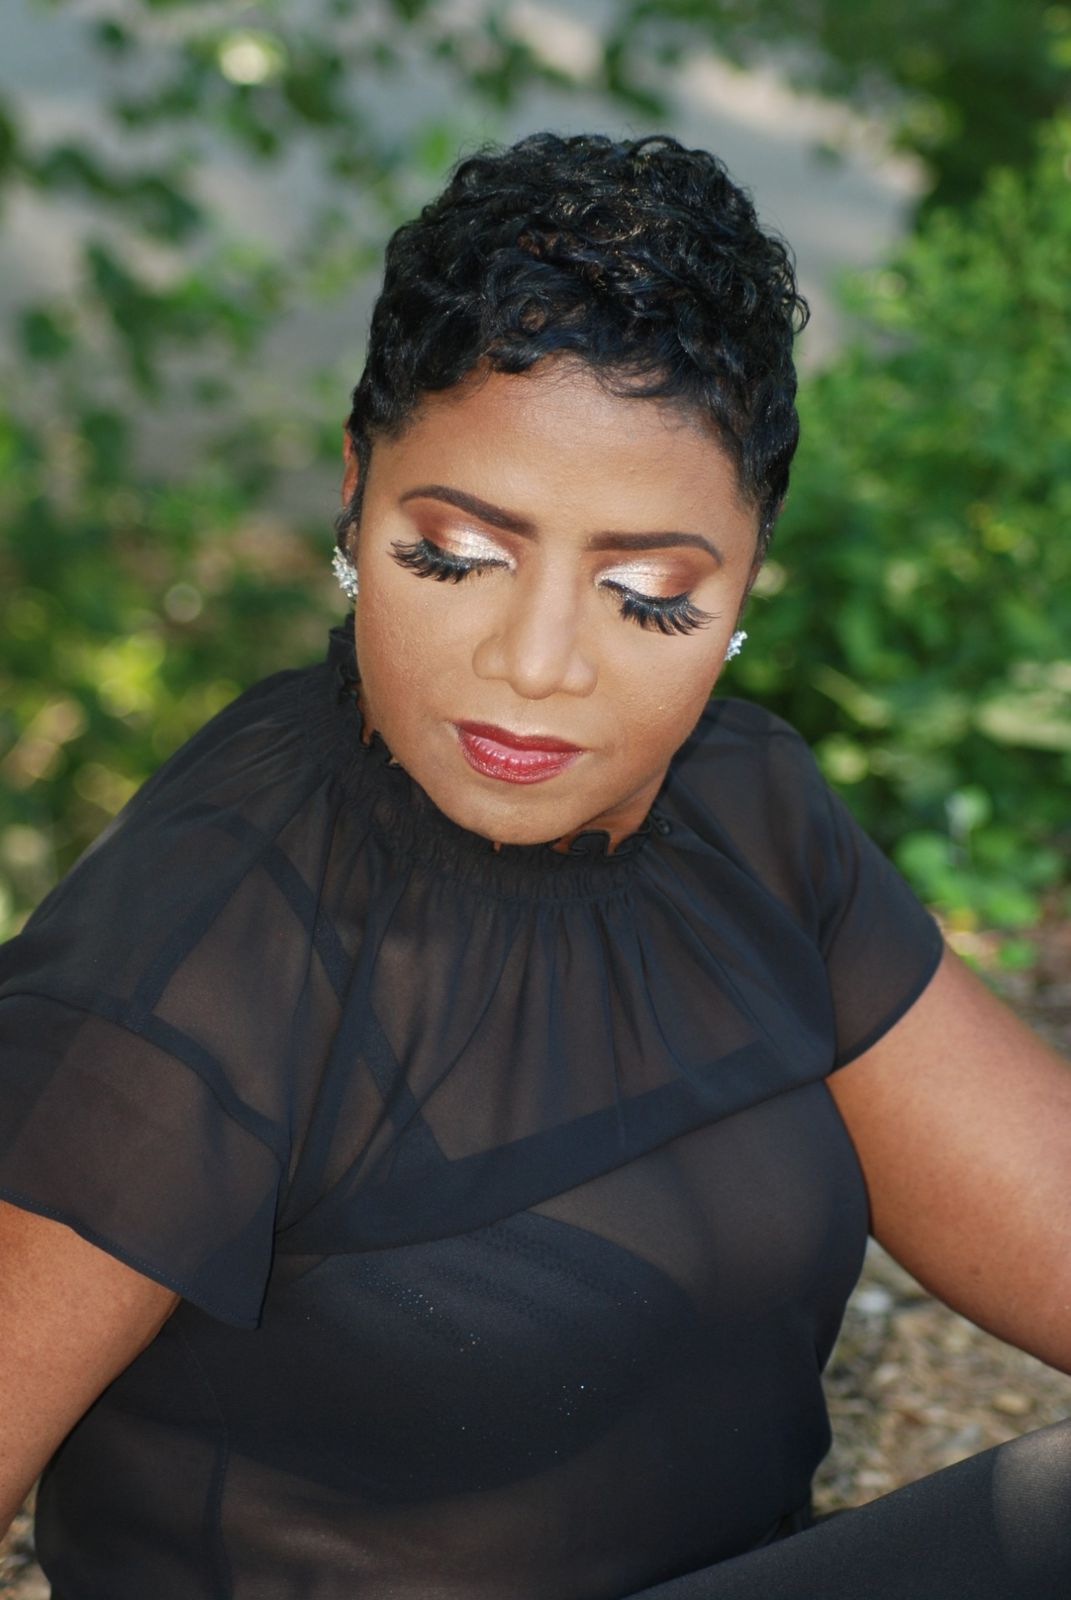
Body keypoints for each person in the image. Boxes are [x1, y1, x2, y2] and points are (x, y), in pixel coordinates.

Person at [0, 129, 1069, 1600]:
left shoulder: (746, 809)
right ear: (355, 495)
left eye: (647, 594)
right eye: (458, 555)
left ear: (749, 572)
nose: (537, 665)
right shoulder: (207, 945)